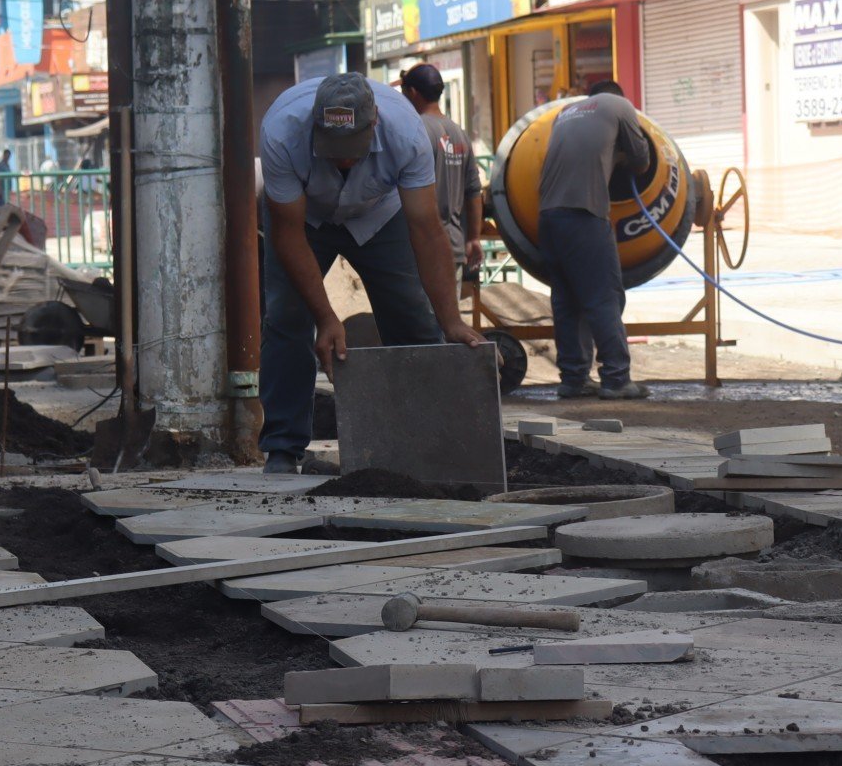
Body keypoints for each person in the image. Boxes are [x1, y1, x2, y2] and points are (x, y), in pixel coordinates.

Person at [259, 71, 485, 474]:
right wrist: (326, 317)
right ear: (314, 124)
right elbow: (289, 234)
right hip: (305, 218)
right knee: (287, 318)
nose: (344, 159)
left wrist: (450, 320)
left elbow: (427, 229)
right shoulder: (281, 132)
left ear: (374, 122)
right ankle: (283, 446)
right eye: (333, 148)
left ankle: (426, 441)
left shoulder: (407, 133)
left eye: (353, 149)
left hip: (381, 214)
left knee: (413, 317)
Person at [535, 80, 650, 400]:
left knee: (567, 300)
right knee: (604, 297)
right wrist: (622, 158)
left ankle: (573, 379)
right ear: (618, 95)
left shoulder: (566, 112)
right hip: (584, 214)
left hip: (547, 216)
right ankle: (616, 378)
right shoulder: (620, 107)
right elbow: (643, 161)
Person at [397, 63, 483, 288]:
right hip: (452, 247)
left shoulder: (416, 130)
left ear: (413, 93)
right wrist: (473, 238)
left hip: (419, 248)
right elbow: (474, 191)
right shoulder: (459, 133)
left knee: (422, 321)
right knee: (449, 319)